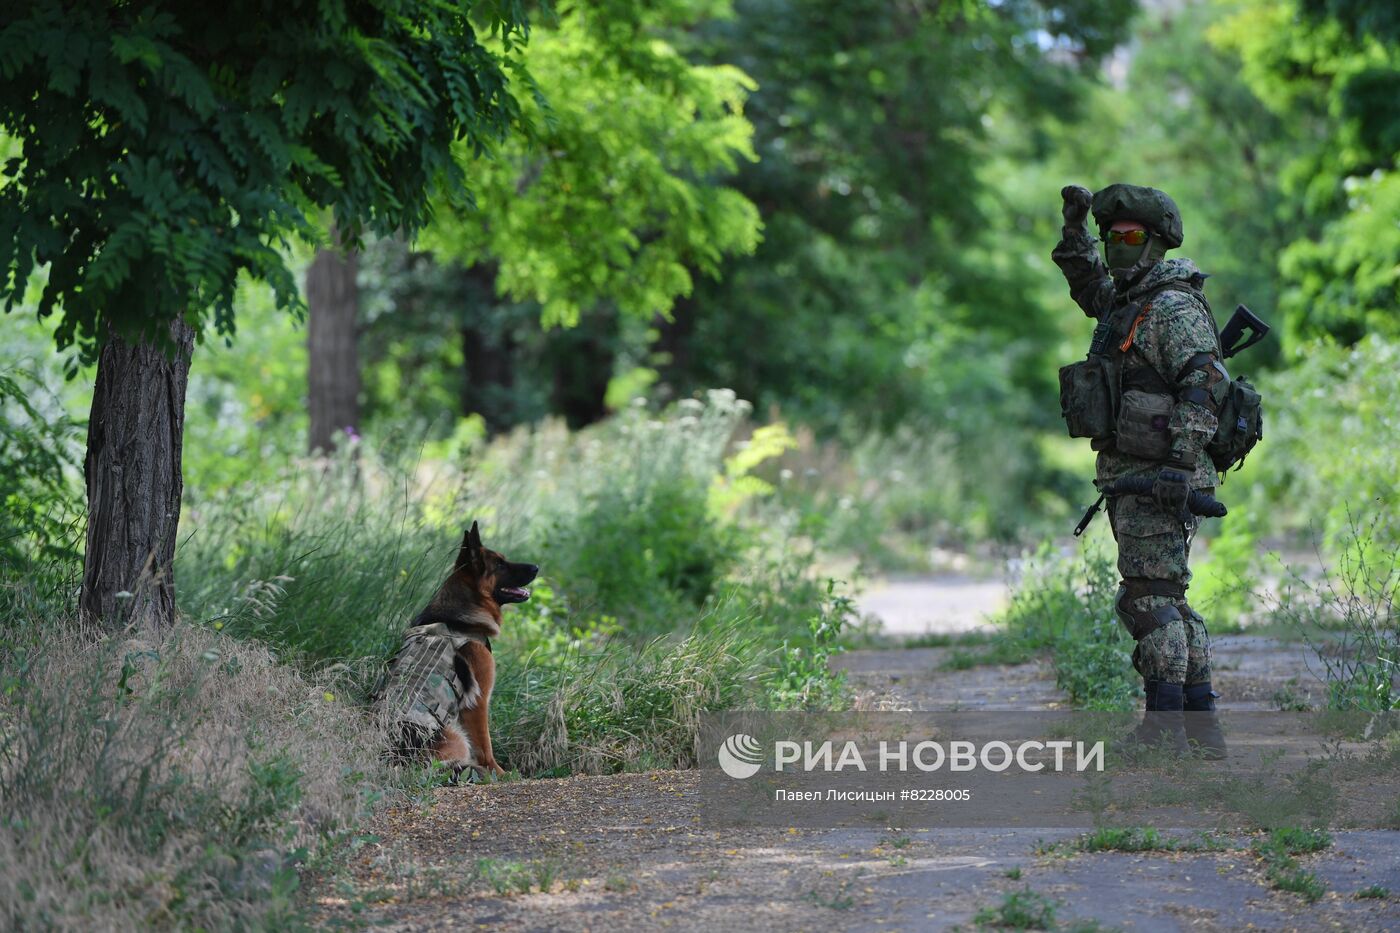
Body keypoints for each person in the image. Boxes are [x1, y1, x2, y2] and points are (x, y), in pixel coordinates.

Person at [1052, 183, 1227, 758]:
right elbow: (1085, 282)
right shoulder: (1129, 300)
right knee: (1167, 599)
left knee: (1147, 601)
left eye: (1128, 237)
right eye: (1111, 237)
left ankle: (1163, 734)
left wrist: (1179, 463)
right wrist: (1075, 227)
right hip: (1137, 474)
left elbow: (1203, 382)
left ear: (1154, 243)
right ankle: (1202, 733)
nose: (1116, 247)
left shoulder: (1171, 305)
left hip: (1162, 477)